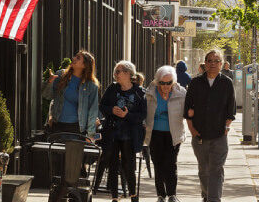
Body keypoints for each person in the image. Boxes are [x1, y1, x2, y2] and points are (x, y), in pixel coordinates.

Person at [184, 49, 236, 202]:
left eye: (216, 61)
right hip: (199, 135)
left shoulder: (227, 83)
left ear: (221, 64)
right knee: (204, 171)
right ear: (205, 63)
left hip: (219, 134)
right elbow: (187, 108)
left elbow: (231, 110)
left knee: (216, 169)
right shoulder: (195, 82)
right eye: (209, 61)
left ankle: (214, 199)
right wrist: (192, 129)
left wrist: (226, 128)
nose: (213, 63)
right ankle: (206, 195)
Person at [100, 61, 147, 202]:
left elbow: (142, 115)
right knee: (113, 165)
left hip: (129, 134)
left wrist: (127, 115)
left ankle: (133, 195)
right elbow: (102, 105)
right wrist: (111, 110)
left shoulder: (139, 92)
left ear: (127, 73)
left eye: (118, 72)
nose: (115, 75)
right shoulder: (112, 88)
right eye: (115, 72)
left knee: (128, 165)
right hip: (112, 132)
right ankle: (114, 197)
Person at [145, 65, 187, 202]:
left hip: (173, 134)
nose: (165, 86)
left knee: (170, 163)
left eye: (169, 83)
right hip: (154, 133)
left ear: (173, 82)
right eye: (162, 83)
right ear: (157, 81)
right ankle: (160, 195)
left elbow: (188, 111)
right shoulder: (149, 93)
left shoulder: (181, 93)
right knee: (157, 163)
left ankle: (172, 194)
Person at [42, 50, 100, 140]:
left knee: (74, 154)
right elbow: (46, 95)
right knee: (56, 153)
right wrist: (50, 82)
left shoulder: (91, 86)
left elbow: (92, 111)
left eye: (78, 58)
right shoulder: (61, 75)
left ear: (84, 65)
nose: (73, 58)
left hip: (77, 128)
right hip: (58, 125)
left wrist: (90, 134)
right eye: (75, 56)